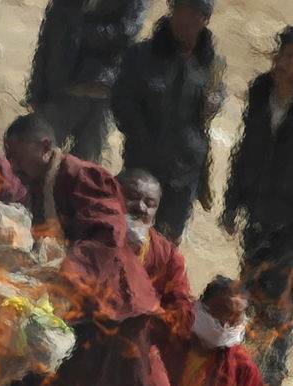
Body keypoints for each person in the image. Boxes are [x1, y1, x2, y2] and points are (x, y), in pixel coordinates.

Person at [4, 113, 163, 386]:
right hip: (82, 305)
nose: (12, 164)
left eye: (17, 154)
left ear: (44, 147)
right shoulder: (36, 186)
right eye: (8, 155)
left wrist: (68, 275)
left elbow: (107, 233)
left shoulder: (81, 175)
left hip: (115, 302)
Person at [112, 0, 226, 244]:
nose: (185, 21)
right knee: (130, 238)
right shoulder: (141, 56)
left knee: (165, 246)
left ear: (204, 20)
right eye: (181, 11)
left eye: (194, 15)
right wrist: (144, 141)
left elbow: (216, 99)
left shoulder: (211, 65)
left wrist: (213, 103)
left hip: (184, 173)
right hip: (143, 167)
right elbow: (122, 103)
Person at [221, 25, 293, 385]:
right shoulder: (261, 89)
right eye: (283, 53)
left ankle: (272, 375)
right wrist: (233, 202)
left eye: (292, 58)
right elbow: (245, 150)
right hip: (259, 215)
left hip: (291, 226)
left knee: (279, 306)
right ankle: (245, 369)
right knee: (249, 293)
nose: (284, 62)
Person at [25, 0, 149, 163]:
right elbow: (48, 37)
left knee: (83, 171)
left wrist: (79, 33)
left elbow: (126, 31)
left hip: (100, 92)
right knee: (37, 157)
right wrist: (35, 90)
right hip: (60, 88)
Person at [116, 168, 194, 385]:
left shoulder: (167, 255)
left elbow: (181, 310)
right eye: (131, 197)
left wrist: (148, 318)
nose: (140, 208)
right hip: (91, 336)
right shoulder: (90, 233)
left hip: (140, 344)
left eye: (150, 204)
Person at [162, 275, 264, 386]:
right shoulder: (169, 338)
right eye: (221, 309)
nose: (225, 323)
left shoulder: (242, 367)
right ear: (201, 306)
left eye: (234, 318)